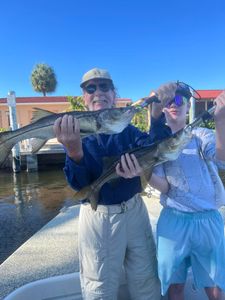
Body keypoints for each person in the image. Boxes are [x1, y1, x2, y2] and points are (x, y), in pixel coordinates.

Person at [53, 67, 169, 300]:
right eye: (91, 88)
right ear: (84, 98)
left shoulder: (128, 130)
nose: (98, 92)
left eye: (104, 86)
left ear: (114, 94)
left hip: (135, 211)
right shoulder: (76, 131)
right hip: (99, 217)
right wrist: (74, 152)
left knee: (146, 279)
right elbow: (79, 186)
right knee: (100, 289)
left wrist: (156, 117)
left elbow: (157, 149)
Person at [118, 82, 225, 300]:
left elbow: (222, 158)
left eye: (180, 100)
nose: (174, 104)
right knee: (174, 286)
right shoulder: (156, 142)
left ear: (187, 107)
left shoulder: (201, 135)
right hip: (173, 222)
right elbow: (165, 187)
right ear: (163, 108)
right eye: (169, 101)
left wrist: (220, 120)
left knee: (214, 288)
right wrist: (143, 173)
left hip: (207, 221)